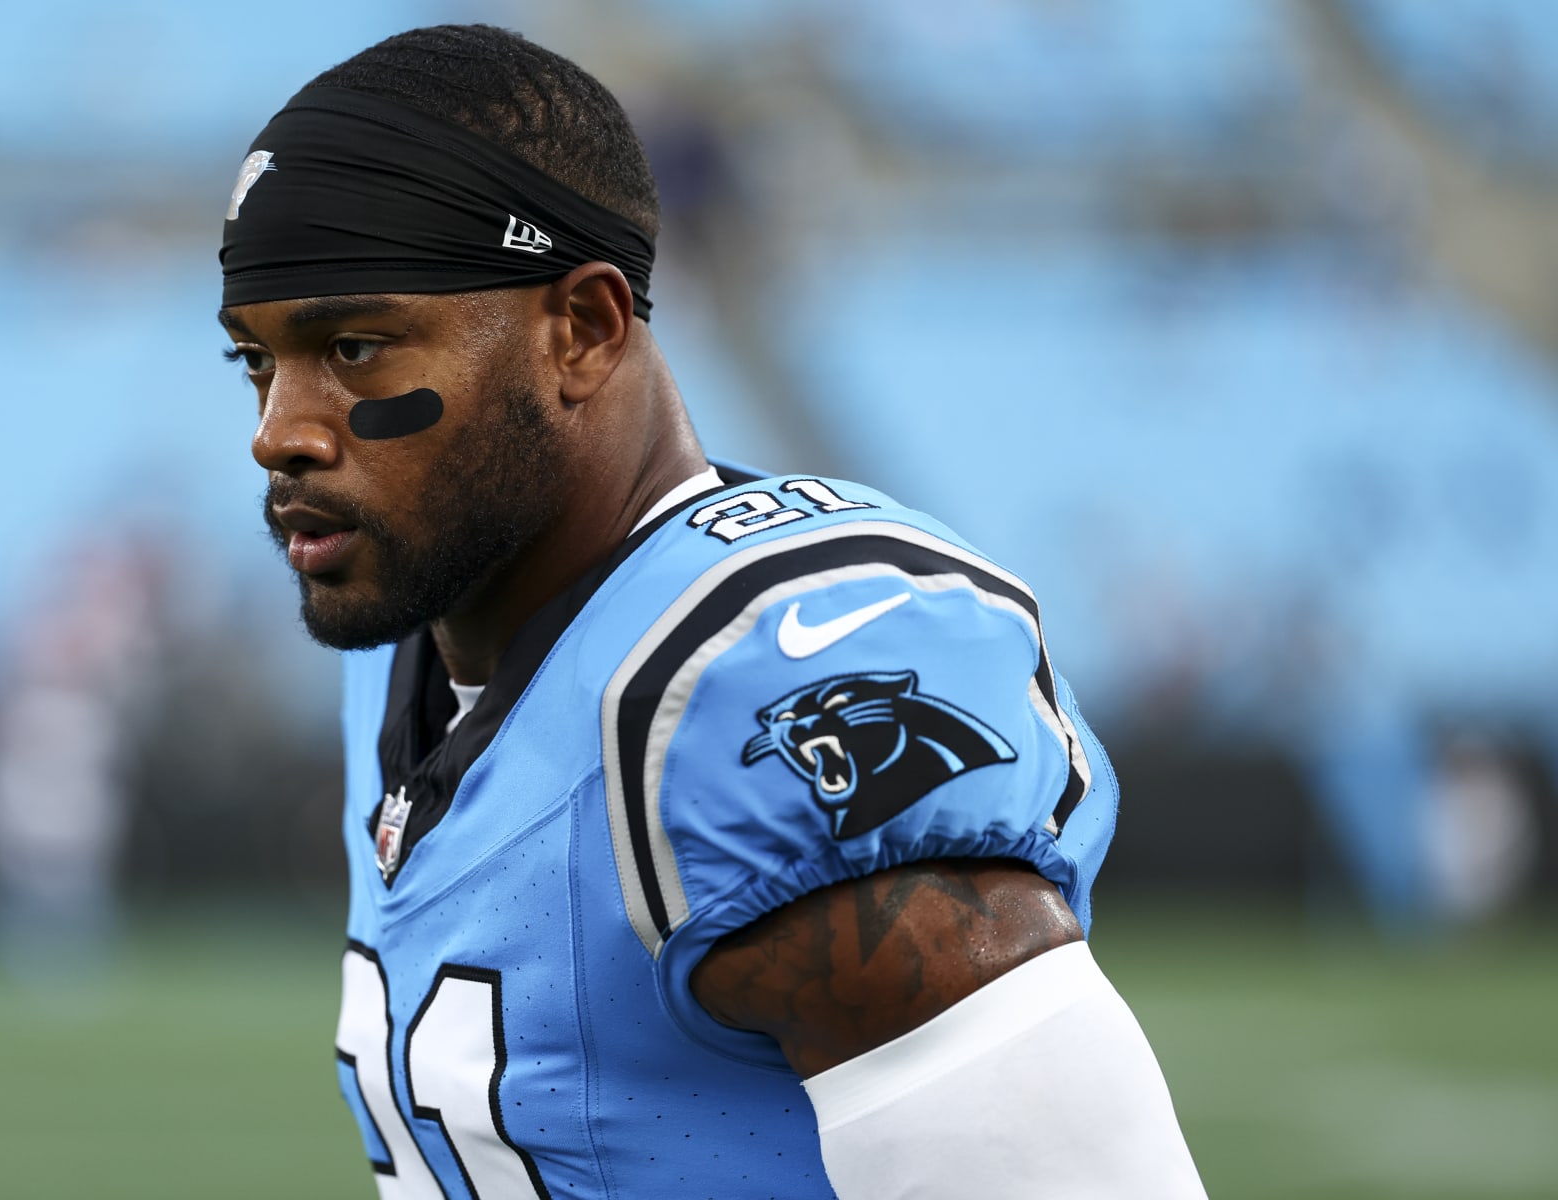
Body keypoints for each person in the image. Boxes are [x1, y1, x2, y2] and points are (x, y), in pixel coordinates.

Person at [217, 24, 1204, 1198]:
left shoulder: (747, 686)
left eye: (355, 346)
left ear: (582, 330)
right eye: (256, 362)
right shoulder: (408, 638)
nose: (277, 430)